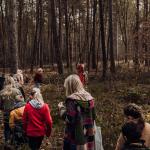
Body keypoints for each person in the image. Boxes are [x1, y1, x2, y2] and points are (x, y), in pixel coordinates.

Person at [58, 74, 95, 150]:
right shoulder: (90, 98)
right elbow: (93, 116)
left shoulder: (71, 100)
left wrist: (61, 109)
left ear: (70, 86)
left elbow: (70, 118)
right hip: (88, 136)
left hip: (74, 138)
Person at [0, 75, 23, 144]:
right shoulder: (17, 91)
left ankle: (7, 142)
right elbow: (22, 103)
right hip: (16, 113)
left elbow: (0, 105)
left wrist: (3, 108)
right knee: (16, 128)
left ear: (5, 83)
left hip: (6, 113)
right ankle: (15, 143)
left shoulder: (1, 92)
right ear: (13, 82)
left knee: (7, 128)